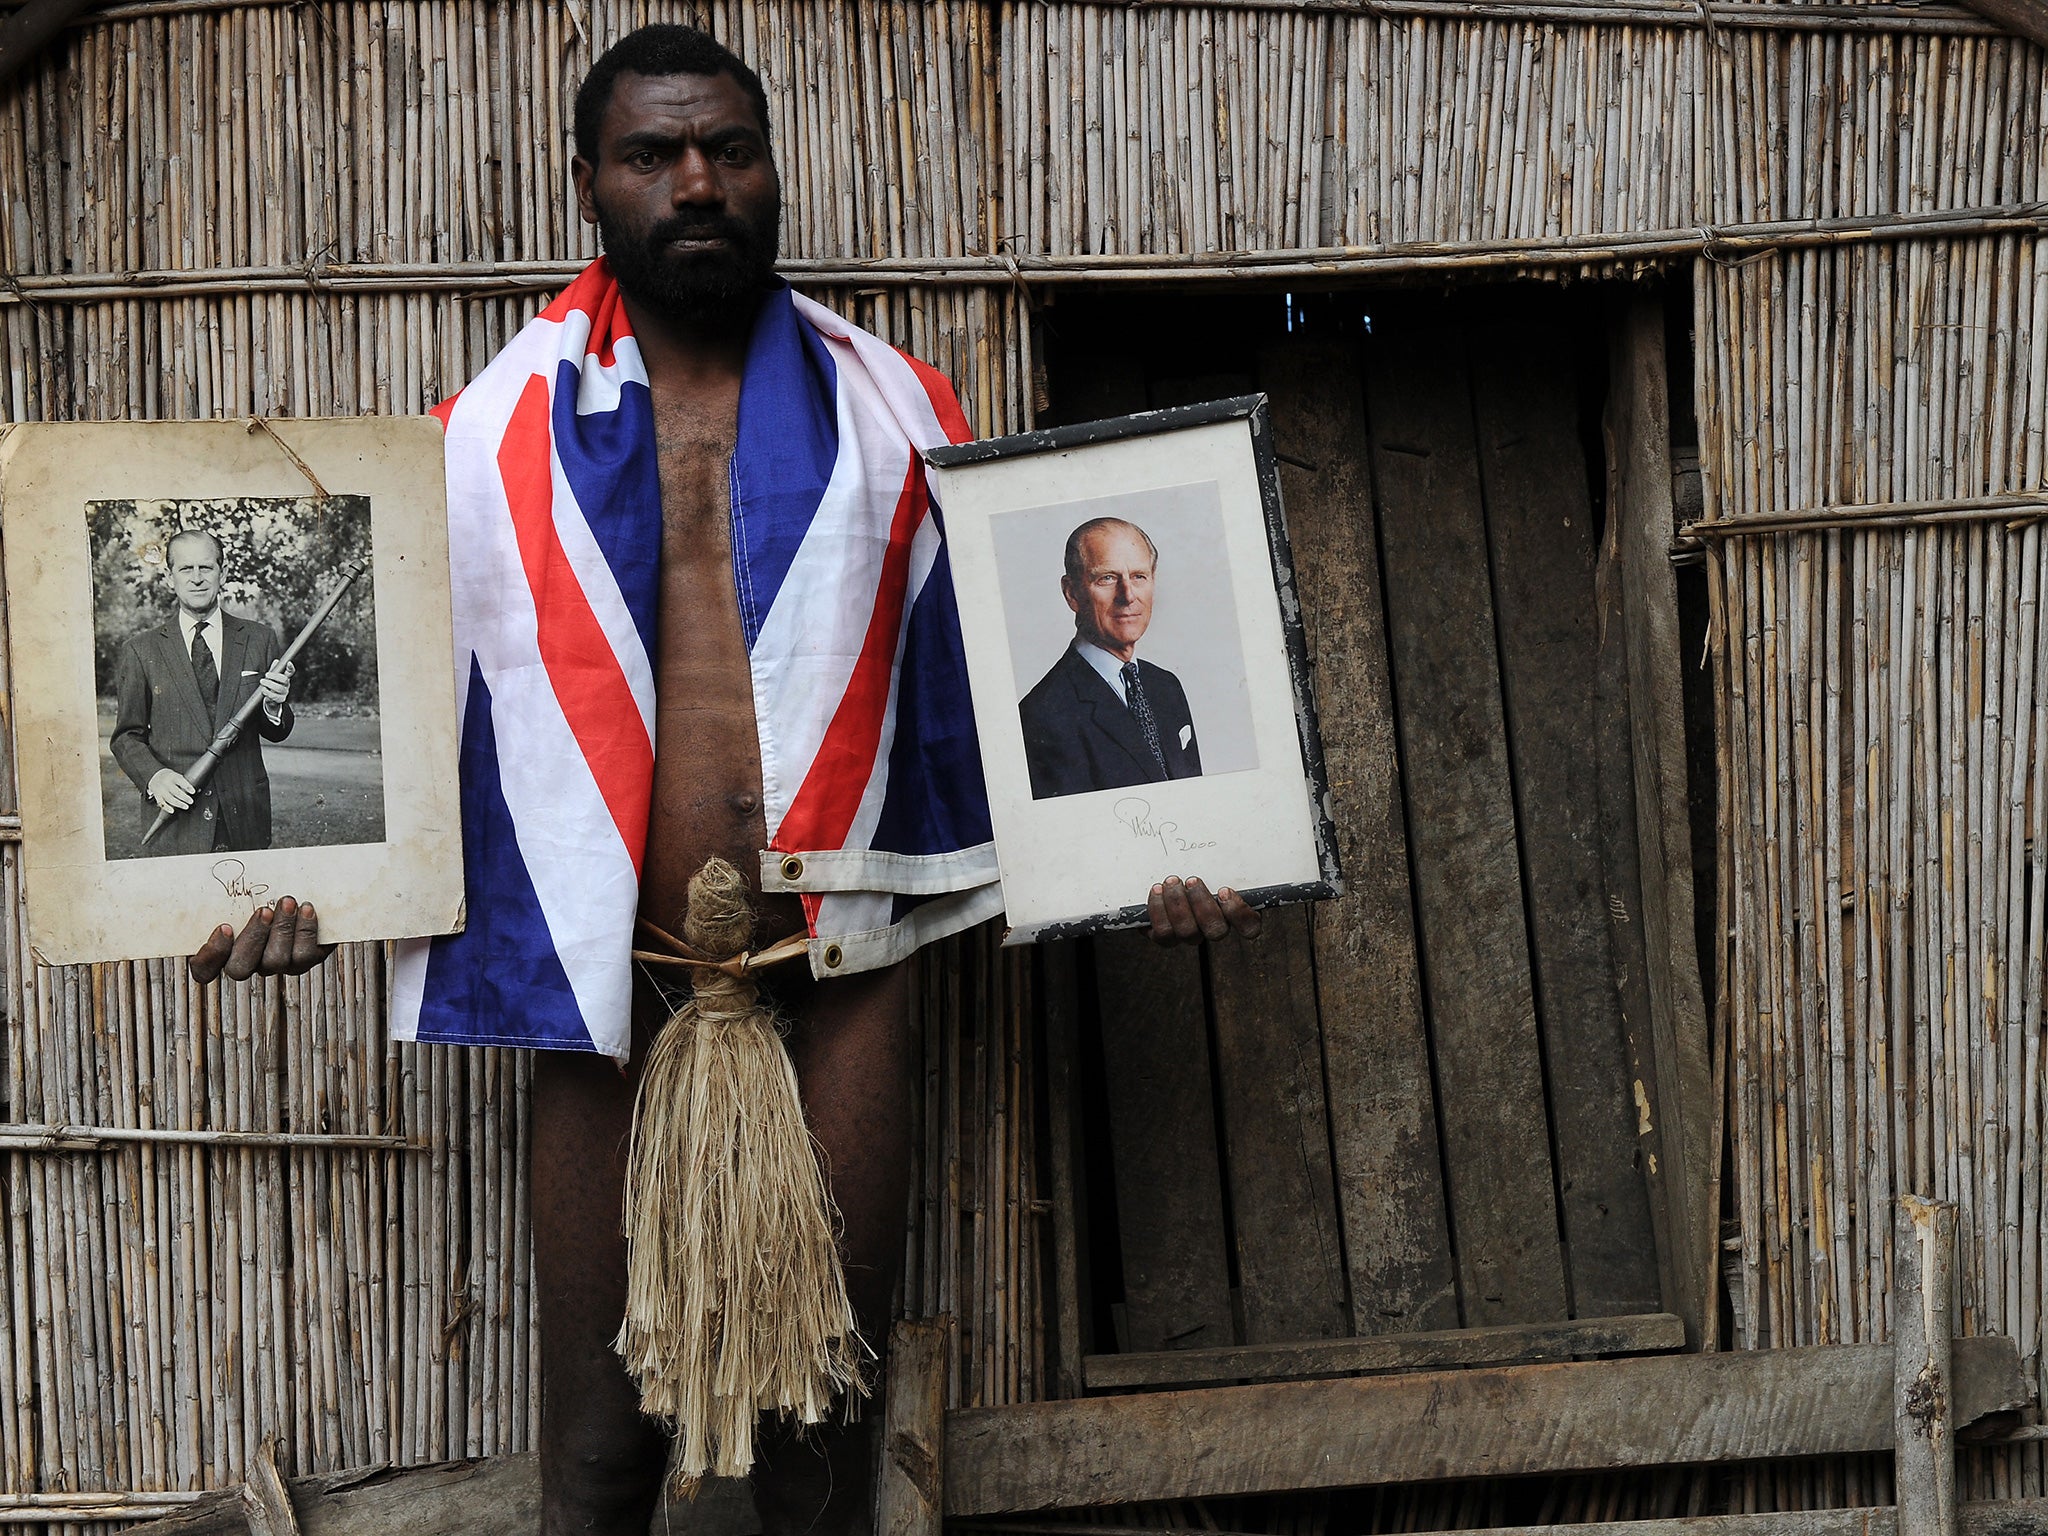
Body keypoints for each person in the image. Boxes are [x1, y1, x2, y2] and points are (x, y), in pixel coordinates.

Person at [190, 27, 1262, 1536]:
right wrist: (261, 885)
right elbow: (377, 723)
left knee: (824, 1458)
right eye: (651, 155)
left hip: (838, 976)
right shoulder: (480, 440)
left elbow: (1004, 703)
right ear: (588, 186)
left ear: (769, 169)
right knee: (597, 1463)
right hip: (611, 990)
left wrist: (1158, 845)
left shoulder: (900, 413)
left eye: (728, 150)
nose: (697, 184)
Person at [109, 528, 296, 856]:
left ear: (222, 573)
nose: (196, 578)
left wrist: (274, 706)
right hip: (177, 820)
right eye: (185, 569)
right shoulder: (140, 650)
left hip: (245, 819)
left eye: (206, 567)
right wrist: (155, 778)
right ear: (170, 578)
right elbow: (126, 737)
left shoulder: (259, 639)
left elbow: (276, 730)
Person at [1019, 517, 1202, 799]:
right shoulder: (1043, 714)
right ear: (1072, 593)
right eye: (1107, 578)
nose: (1128, 596)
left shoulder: (1166, 686)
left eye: (1139, 576)